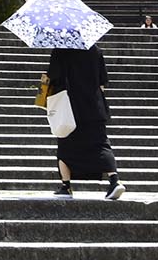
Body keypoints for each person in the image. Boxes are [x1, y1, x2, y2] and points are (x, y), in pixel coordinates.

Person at [46, 44, 124, 199]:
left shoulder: (61, 50)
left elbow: (53, 77)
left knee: (65, 146)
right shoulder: (96, 50)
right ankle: (114, 180)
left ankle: (66, 186)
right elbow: (102, 83)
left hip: (70, 107)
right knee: (101, 144)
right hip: (94, 106)